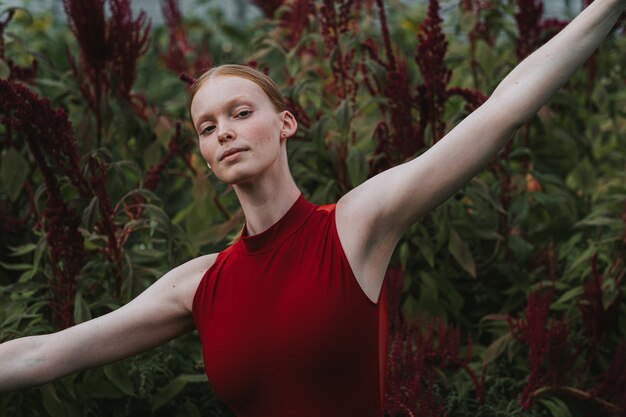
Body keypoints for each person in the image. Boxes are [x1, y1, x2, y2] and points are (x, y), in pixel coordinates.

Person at [1, 0, 624, 416]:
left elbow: (502, 111)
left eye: (242, 113)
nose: (223, 132)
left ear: (285, 124)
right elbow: (43, 353)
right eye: (206, 126)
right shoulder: (195, 286)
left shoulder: (356, 226)